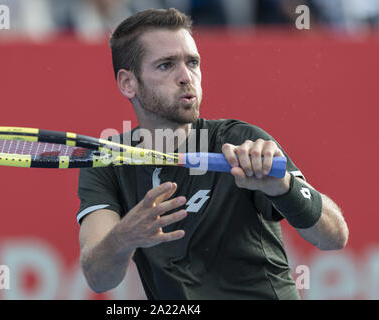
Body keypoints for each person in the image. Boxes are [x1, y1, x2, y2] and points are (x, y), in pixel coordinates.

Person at [76, 8, 349, 299]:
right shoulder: (106, 161)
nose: (186, 77)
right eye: (166, 65)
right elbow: (98, 279)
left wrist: (284, 188)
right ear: (128, 83)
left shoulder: (241, 140)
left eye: (192, 62)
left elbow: (335, 237)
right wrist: (122, 237)